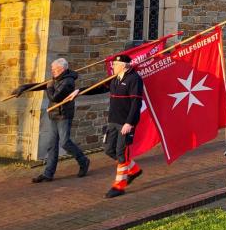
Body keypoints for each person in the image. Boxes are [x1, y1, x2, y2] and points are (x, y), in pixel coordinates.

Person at [74, 54, 143, 198]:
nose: (113, 66)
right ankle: (134, 170)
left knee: (121, 153)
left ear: (124, 66)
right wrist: (79, 91)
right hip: (113, 120)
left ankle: (119, 186)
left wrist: (129, 123)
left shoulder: (134, 79)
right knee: (109, 149)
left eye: (115, 65)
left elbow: (136, 103)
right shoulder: (114, 78)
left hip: (125, 123)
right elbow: (99, 88)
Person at [13, 58, 90, 183]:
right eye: (52, 69)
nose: (52, 71)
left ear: (62, 69)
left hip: (63, 115)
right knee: (52, 145)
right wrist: (25, 87)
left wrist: (49, 86)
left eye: (54, 69)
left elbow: (54, 97)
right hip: (54, 114)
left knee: (65, 142)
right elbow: (43, 85)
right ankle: (48, 174)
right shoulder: (56, 78)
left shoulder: (68, 82)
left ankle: (83, 161)